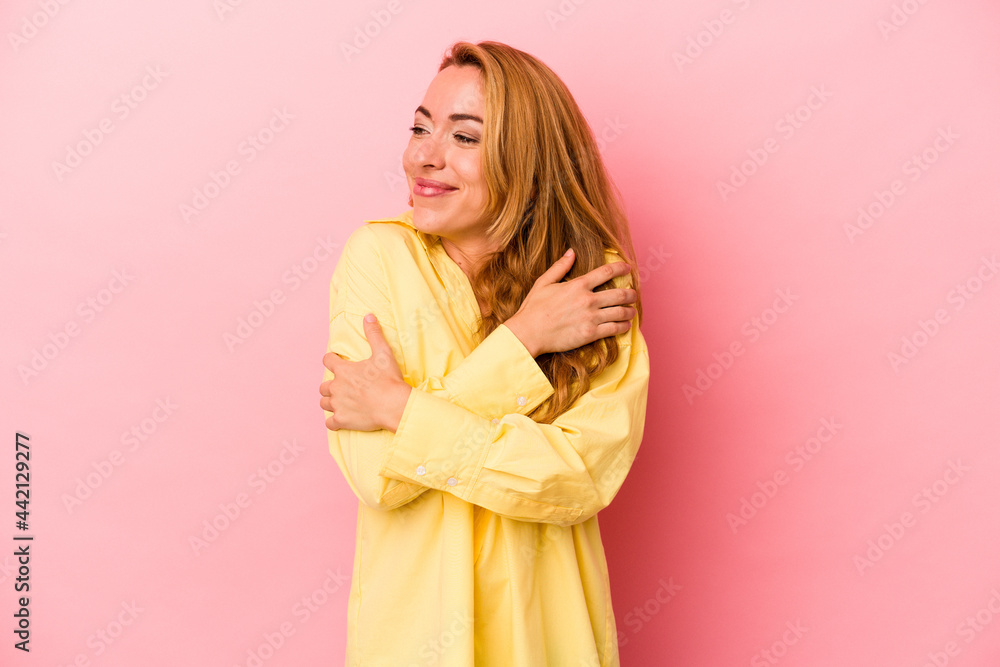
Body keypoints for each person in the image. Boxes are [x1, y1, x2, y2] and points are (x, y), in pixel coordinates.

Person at [318, 40, 650, 666]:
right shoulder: (377, 259)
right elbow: (376, 477)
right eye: (420, 128)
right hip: (414, 641)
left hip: (548, 638)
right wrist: (523, 343)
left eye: (464, 138)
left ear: (528, 158)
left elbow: (576, 478)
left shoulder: (593, 287)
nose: (424, 154)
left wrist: (399, 408)